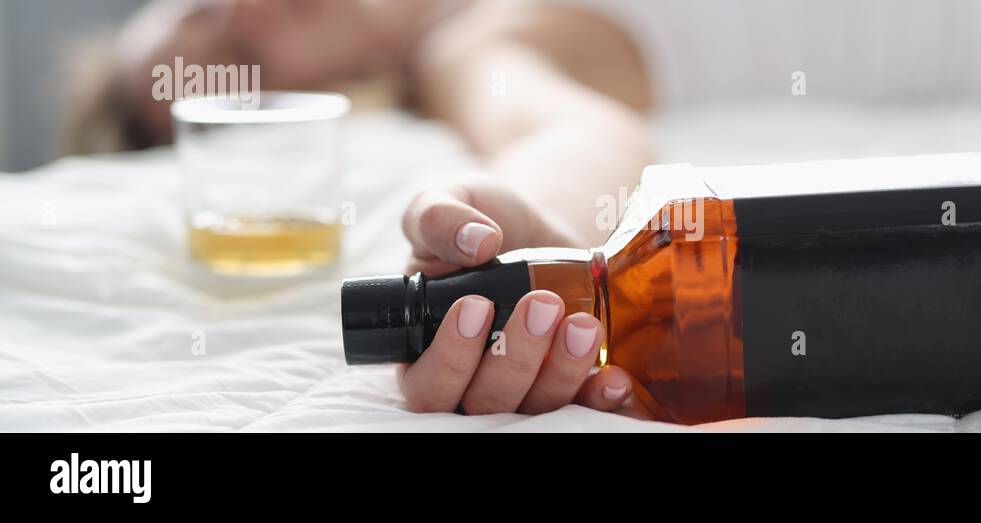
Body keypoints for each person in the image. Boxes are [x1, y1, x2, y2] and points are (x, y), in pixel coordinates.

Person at [82, 0, 656, 418]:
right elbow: (572, 131)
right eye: (244, 55)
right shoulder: (461, 45)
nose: (250, 10)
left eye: (206, 6)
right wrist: (535, 242)